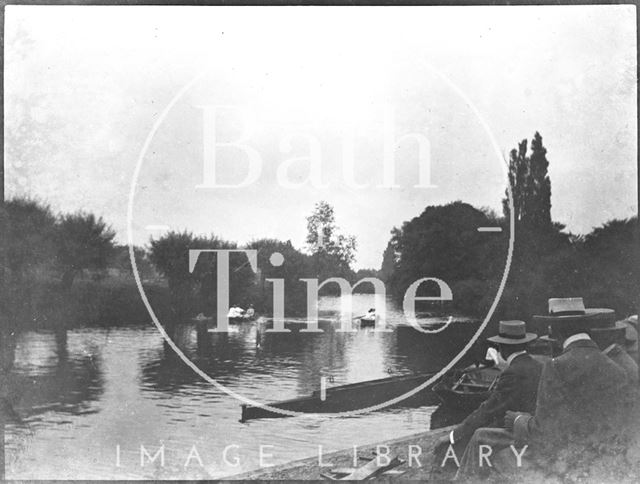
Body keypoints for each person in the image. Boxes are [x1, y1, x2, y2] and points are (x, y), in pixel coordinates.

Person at [457, 298, 628, 480]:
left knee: (481, 438)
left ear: (554, 330)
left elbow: (544, 432)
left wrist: (518, 420)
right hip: (598, 460)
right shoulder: (617, 370)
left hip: (559, 462)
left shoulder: (556, 366)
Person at [434, 321, 542, 463]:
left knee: (458, 448)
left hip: (516, 434)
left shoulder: (511, 373)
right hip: (531, 428)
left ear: (502, 348)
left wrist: (453, 435)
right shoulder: (539, 366)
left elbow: (488, 410)